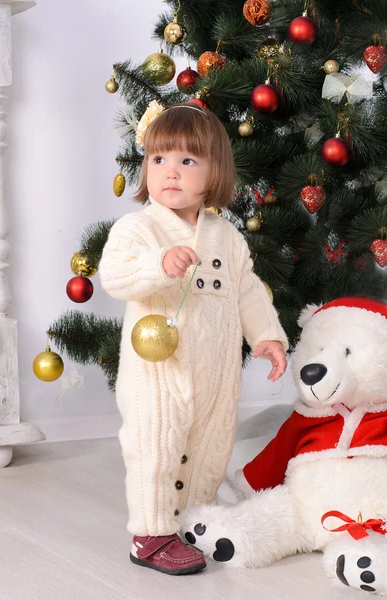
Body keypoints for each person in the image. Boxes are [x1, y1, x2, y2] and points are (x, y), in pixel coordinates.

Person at [99, 102, 288, 575]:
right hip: (159, 372)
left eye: (187, 161)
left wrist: (266, 336)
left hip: (216, 369)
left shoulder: (225, 236)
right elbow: (114, 277)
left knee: (210, 443)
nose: (171, 173)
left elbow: (247, 289)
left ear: (214, 173)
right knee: (156, 445)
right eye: (159, 159)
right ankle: (152, 532)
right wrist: (157, 266)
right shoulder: (138, 228)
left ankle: (196, 516)